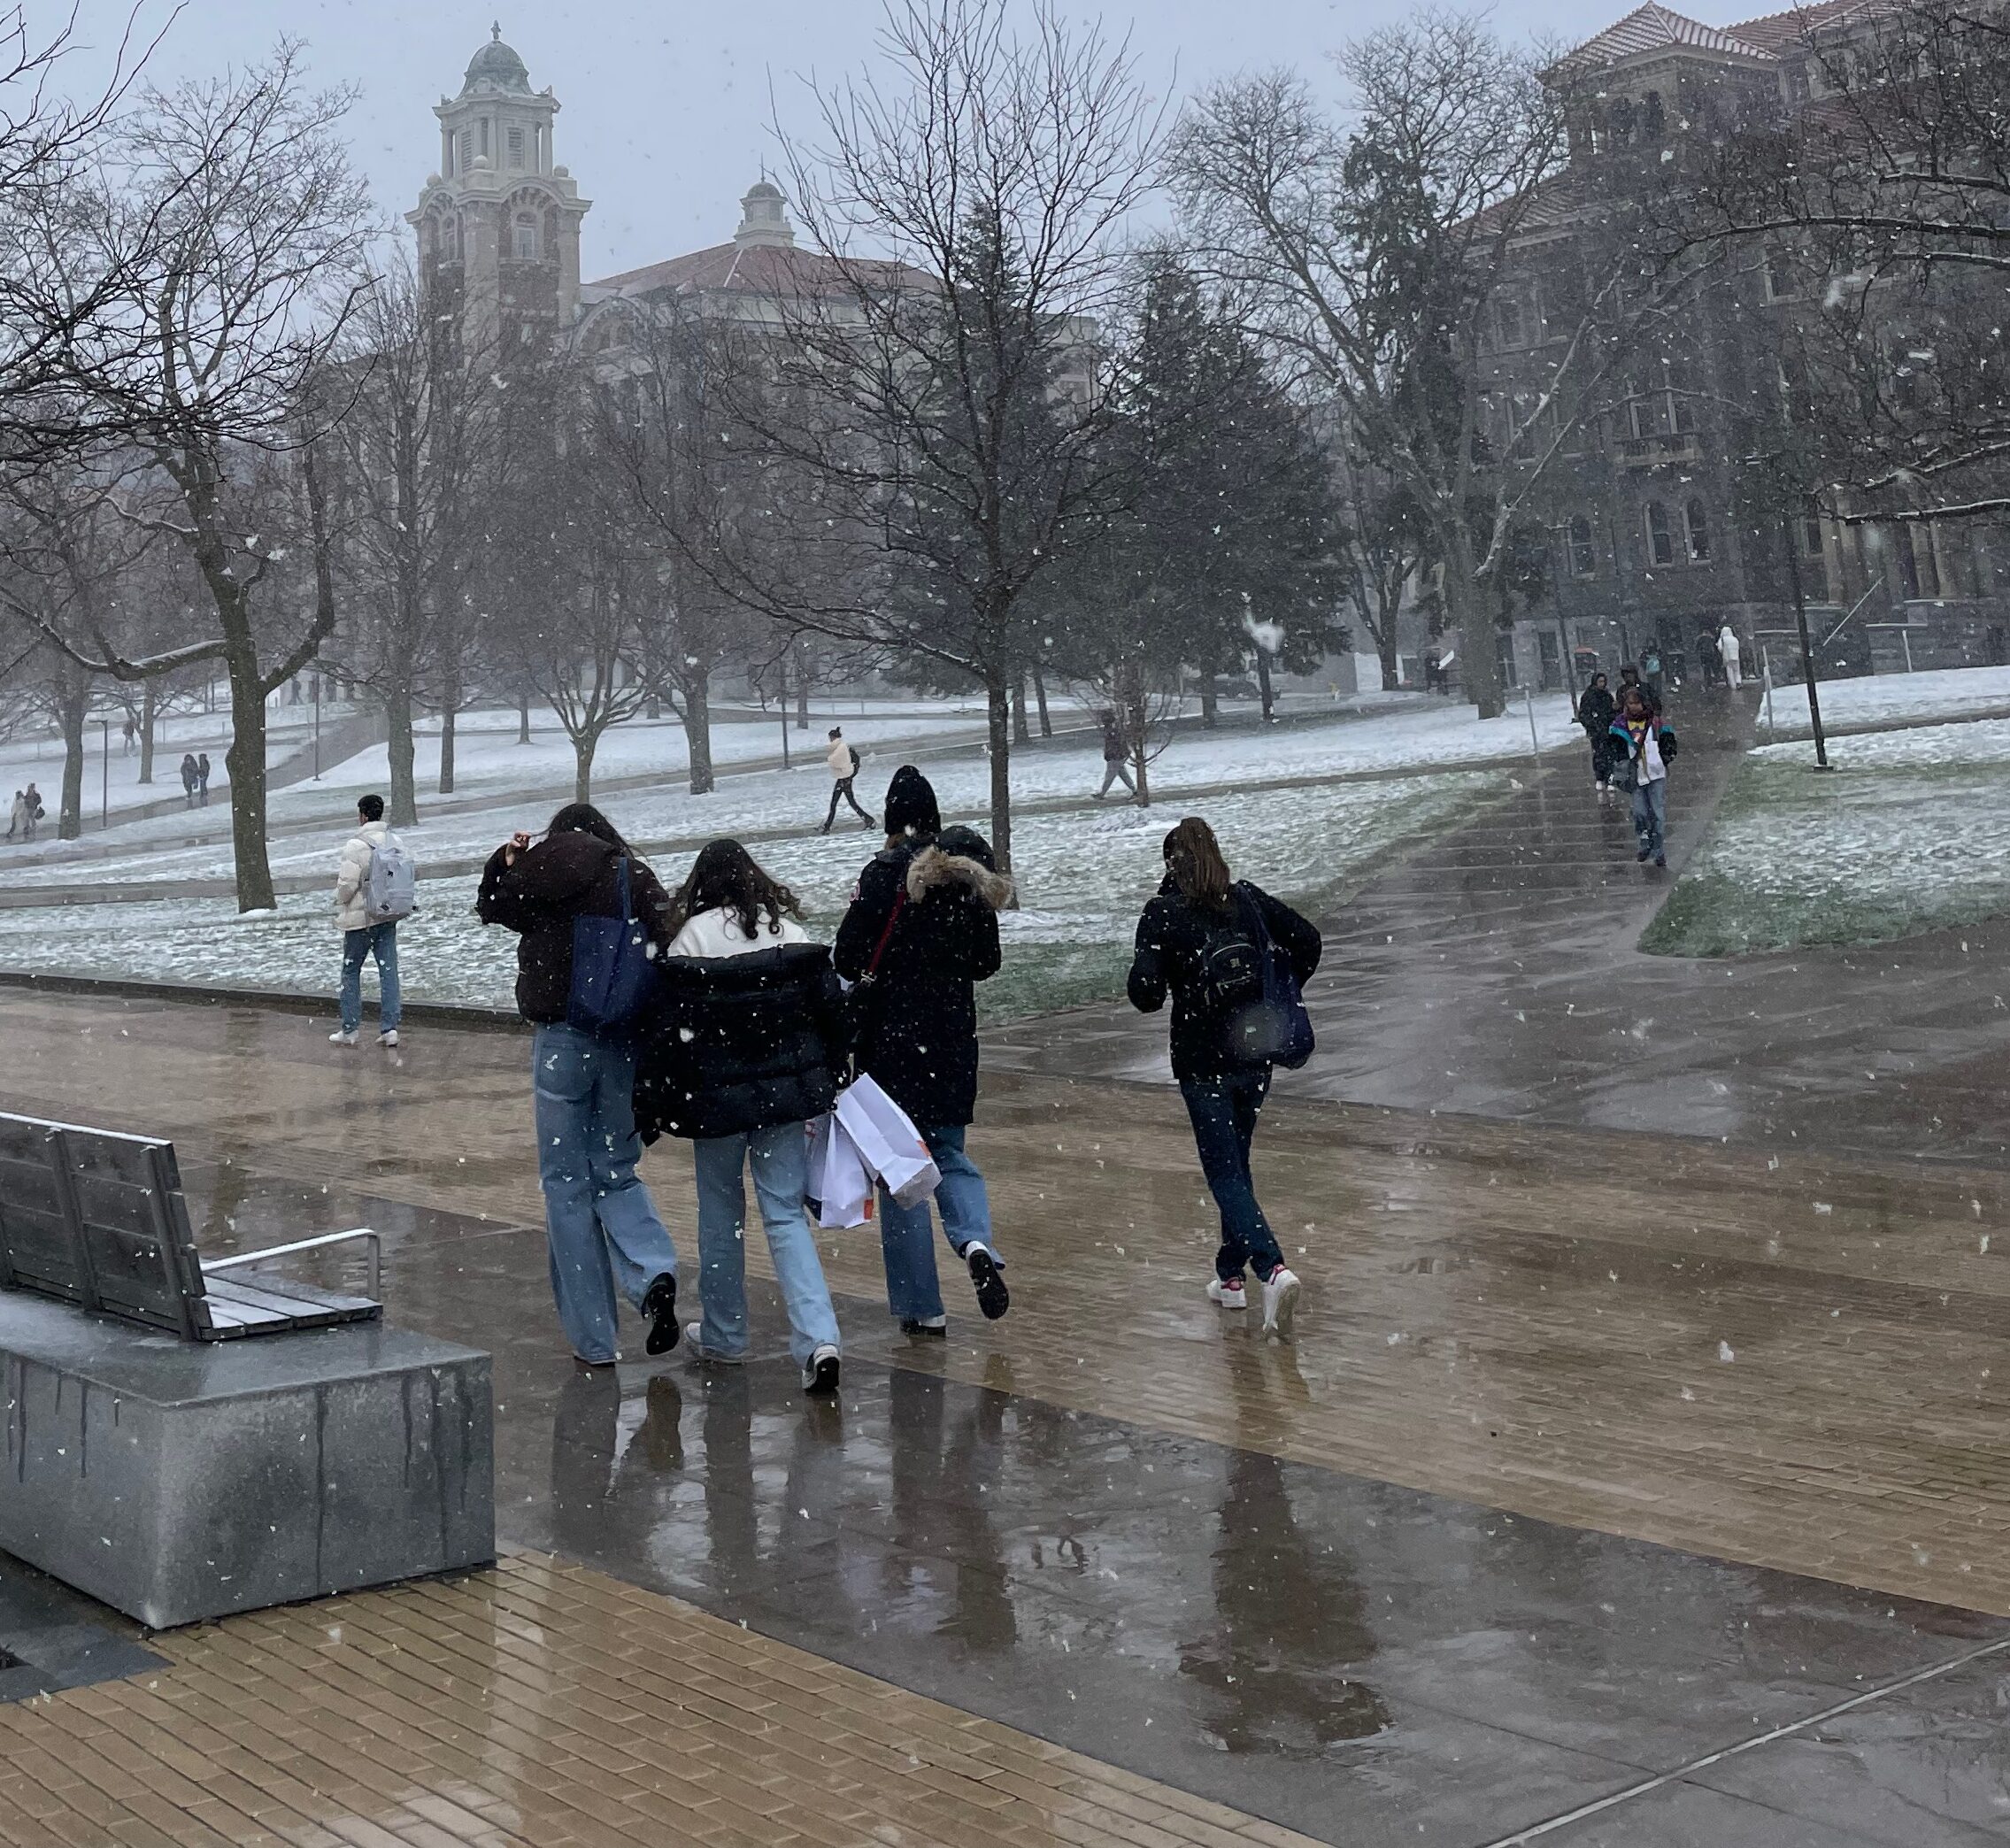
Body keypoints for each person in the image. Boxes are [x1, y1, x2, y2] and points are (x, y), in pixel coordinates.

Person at [477, 803, 683, 1368]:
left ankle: (594, 1340)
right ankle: (653, 1272)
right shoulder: (630, 874)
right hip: (618, 1035)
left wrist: (505, 860)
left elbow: (490, 907)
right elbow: (666, 944)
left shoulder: (540, 871)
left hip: (560, 1041)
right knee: (616, 1170)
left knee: (565, 1183)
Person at [638, 839, 845, 1394]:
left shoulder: (691, 940)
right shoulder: (790, 935)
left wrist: (657, 1096)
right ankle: (819, 1336)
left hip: (717, 1104)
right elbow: (829, 1011)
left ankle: (726, 1333)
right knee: (783, 1215)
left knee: (721, 1215)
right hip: (784, 1100)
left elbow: (667, 1030)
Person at [834, 766, 1012, 1336]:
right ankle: (976, 1243)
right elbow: (987, 962)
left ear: (891, 820)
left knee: (903, 1172)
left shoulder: (883, 874)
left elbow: (845, 956)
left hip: (889, 1044)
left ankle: (922, 1306)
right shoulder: (962, 876)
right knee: (952, 1155)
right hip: (953, 1040)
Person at [1126, 817, 1321, 1336]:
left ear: (1171, 865)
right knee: (1237, 1166)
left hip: (1202, 1063)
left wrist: (1160, 957)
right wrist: (1276, 985)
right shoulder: (1247, 900)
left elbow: (1143, 994)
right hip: (1253, 1058)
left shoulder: (1164, 914)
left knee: (1226, 1173)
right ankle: (1229, 1277)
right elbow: (1308, 940)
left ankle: (1272, 1269)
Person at [330, 793, 404, 1051]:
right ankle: (390, 1028)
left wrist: (338, 898)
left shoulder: (355, 845)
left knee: (351, 971)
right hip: (387, 915)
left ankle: (350, 1028)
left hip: (360, 921)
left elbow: (347, 886)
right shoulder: (396, 841)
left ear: (362, 815)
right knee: (388, 971)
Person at [1611, 684, 1679, 869]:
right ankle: (1644, 843)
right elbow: (1614, 749)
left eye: (1637, 703)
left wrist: (1664, 758)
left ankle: (1658, 851)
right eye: (1630, 703)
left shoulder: (1656, 723)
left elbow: (1669, 742)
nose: (1633, 707)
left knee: (1657, 813)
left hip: (1656, 774)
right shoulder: (1619, 725)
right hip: (1635, 775)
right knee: (1640, 812)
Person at [821, 727, 872, 834]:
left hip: (844, 779)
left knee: (837, 803)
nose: (830, 740)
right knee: (846, 802)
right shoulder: (841, 748)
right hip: (843, 779)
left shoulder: (843, 749)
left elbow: (849, 763)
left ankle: (827, 826)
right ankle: (868, 820)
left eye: (831, 738)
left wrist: (849, 776)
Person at [1576, 672, 1617, 796]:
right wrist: (1593, 725)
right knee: (1599, 754)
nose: (1602, 684)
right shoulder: (1588, 696)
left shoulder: (1607, 695)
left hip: (1608, 729)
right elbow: (1584, 714)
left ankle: (1609, 778)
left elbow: (1612, 711)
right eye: (1600, 682)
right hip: (1596, 731)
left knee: (1610, 755)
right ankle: (1600, 777)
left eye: (1603, 682)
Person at [1094, 709, 1136, 801]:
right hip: (1117, 755)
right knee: (1122, 773)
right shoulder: (1113, 728)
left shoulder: (1113, 729)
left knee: (1110, 775)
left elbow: (1116, 743)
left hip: (1116, 755)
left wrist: (1111, 754)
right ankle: (1135, 791)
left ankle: (1102, 794)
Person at [1695, 626, 1722, 690]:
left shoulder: (1700, 639)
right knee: (1714, 667)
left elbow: (1697, 648)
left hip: (1704, 655)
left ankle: (1709, 683)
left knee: (1706, 670)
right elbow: (1715, 646)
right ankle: (1716, 679)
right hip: (1711, 655)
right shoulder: (1711, 638)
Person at [1719, 621, 1744, 689]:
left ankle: (1733, 686)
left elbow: (1720, 648)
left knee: (1730, 672)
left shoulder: (1722, 639)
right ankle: (1738, 682)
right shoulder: (1735, 639)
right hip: (1736, 657)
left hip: (1727, 657)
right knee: (1737, 671)